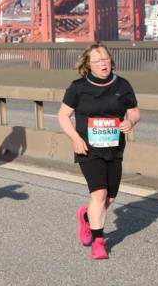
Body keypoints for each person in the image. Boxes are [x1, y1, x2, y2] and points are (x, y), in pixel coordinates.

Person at [57, 43, 141, 260]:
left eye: (105, 59)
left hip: (114, 148)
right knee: (99, 194)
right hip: (88, 148)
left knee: (109, 199)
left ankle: (86, 216)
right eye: (97, 60)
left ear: (111, 60)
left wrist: (130, 122)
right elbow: (63, 116)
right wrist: (75, 139)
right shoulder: (78, 87)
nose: (102, 63)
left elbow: (134, 111)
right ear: (88, 65)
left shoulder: (122, 85)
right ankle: (99, 242)